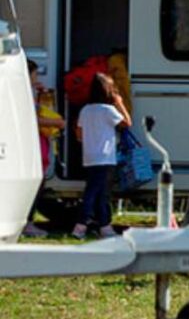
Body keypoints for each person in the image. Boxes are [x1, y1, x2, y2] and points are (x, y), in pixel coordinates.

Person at [73, 73, 132, 239]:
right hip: (105, 157)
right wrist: (120, 103)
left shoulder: (86, 110)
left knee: (100, 192)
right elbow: (127, 123)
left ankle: (105, 227)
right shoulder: (108, 110)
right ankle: (80, 226)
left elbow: (79, 134)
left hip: (90, 157)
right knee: (94, 192)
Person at [22, 60, 65, 238]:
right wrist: (57, 123)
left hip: (38, 143)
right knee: (33, 185)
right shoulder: (22, 94)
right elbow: (32, 119)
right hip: (33, 145)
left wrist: (41, 95)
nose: (36, 77)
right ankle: (27, 223)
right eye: (34, 74)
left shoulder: (28, 92)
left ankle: (28, 222)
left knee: (37, 185)